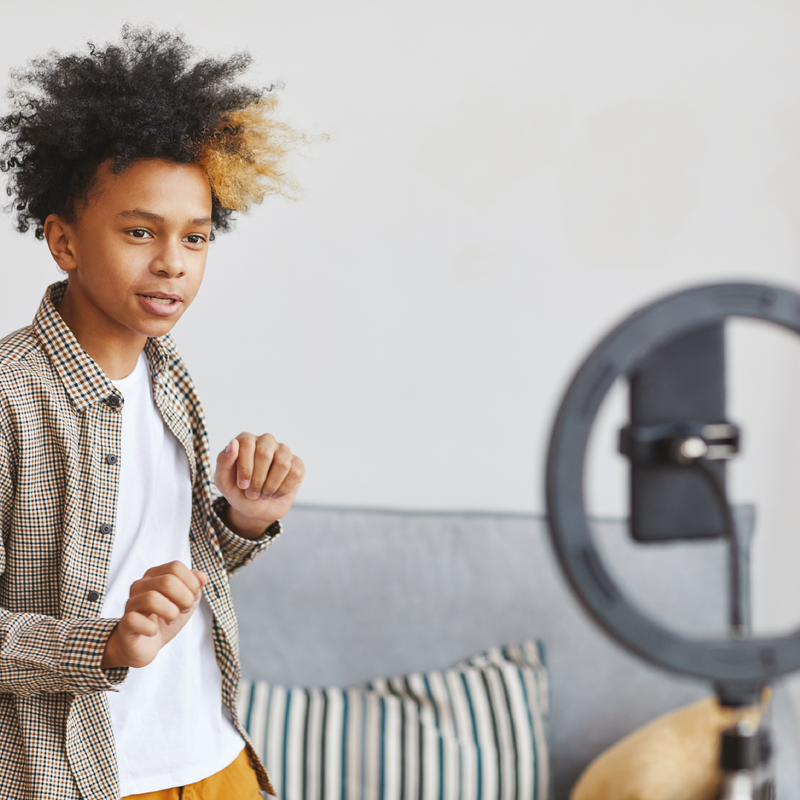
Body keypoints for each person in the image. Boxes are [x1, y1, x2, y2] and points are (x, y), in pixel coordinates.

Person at [0, 26, 304, 800]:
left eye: (194, 238)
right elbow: (114, 624)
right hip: (81, 777)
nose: (172, 261)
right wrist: (100, 643)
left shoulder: (168, 376)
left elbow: (176, 569)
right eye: (141, 232)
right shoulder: (9, 397)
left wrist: (241, 519)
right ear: (63, 240)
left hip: (214, 759)